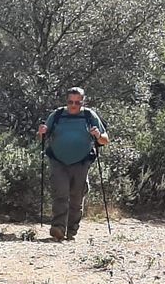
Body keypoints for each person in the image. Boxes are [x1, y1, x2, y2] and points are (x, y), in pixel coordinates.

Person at [37, 87, 110, 241]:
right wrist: (41, 132)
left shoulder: (90, 116)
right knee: (60, 194)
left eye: (77, 102)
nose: (73, 105)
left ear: (83, 102)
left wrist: (98, 135)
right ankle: (58, 228)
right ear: (66, 101)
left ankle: (71, 230)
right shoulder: (57, 115)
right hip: (58, 160)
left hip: (81, 161)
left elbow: (104, 140)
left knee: (77, 197)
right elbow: (42, 137)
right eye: (70, 102)